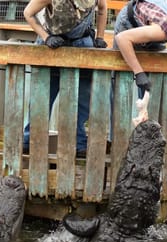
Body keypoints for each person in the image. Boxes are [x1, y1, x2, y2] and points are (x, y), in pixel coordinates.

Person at [22, 0, 108, 156]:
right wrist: (46, 37)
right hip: (52, 46)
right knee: (42, 97)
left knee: (82, 98)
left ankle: (79, 143)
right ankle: (30, 140)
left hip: (82, 43)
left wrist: (100, 37)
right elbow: (28, 13)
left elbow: (102, 8)